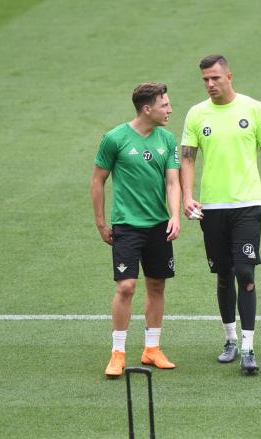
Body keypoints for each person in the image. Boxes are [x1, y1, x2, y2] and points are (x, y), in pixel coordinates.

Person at [180, 54, 261, 375]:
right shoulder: (196, 114)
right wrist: (188, 195)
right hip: (212, 208)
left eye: (215, 78)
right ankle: (229, 338)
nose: (210, 84)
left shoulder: (253, 108)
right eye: (205, 79)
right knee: (223, 274)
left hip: (247, 205)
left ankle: (248, 347)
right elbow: (187, 158)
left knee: (245, 272)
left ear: (229, 76)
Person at [90, 82, 181, 379]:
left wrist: (175, 216)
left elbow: (172, 181)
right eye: (164, 105)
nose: (169, 109)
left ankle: (151, 349)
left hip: (158, 225)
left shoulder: (167, 139)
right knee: (126, 286)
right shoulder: (114, 139)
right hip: (127, 226)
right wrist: (101, 222)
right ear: (147, 108)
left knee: (156, 285)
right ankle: (117, 352)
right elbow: (97, 181)